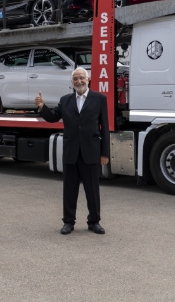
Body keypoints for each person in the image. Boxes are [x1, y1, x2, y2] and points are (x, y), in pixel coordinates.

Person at [35, 67, 110, 235]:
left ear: (88, 79)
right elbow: (53, 117)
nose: (79, 81)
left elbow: (105, 127)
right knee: (69, 190)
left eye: (82, 78)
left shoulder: (99, 99)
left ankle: (94, 221)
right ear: (72, 82)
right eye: (75, 79)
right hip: (71, 152)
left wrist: (104, 153)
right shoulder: (65, 100)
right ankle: (68, 222)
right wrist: (42, 107)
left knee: (92, 190)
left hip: (91, 152)